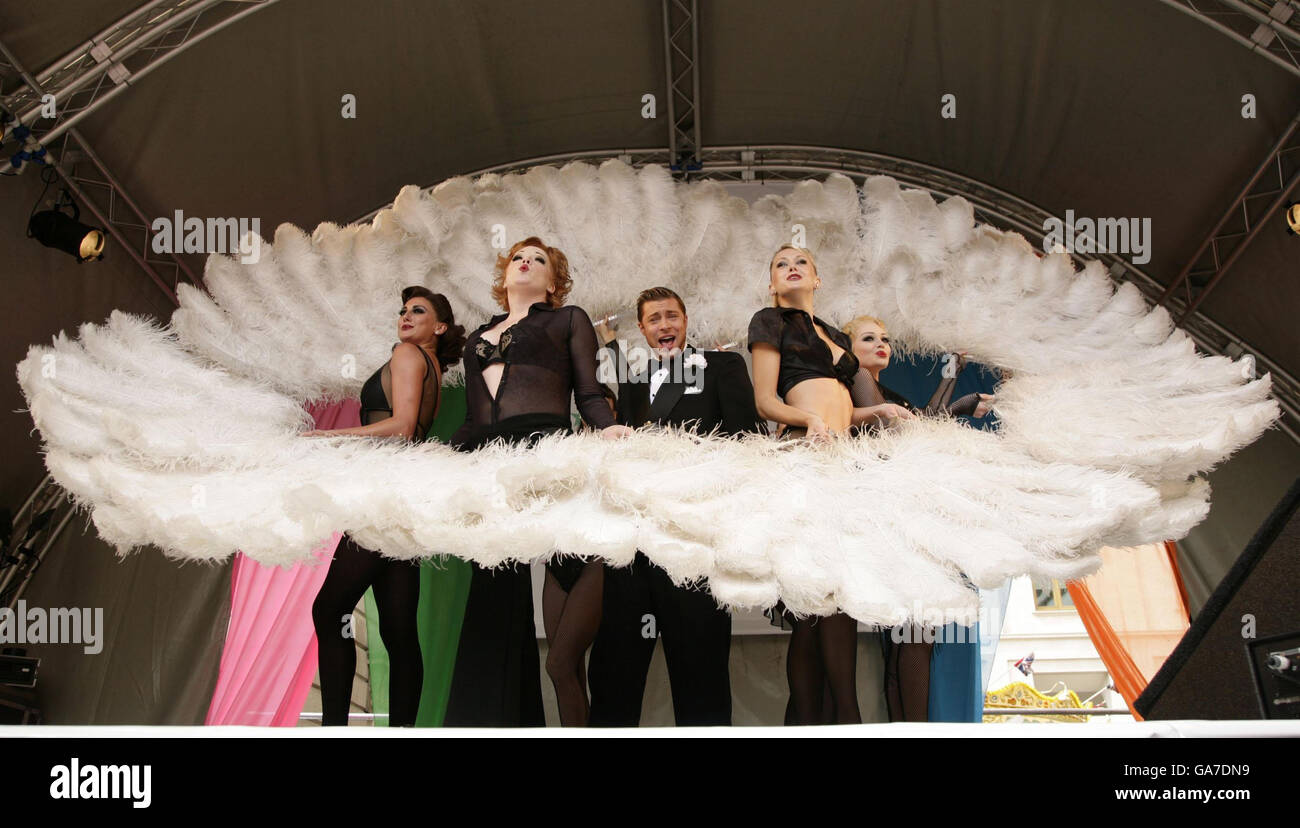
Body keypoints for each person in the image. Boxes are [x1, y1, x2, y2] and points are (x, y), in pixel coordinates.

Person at [443, 237, 632, 727]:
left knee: (563, 653)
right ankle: (492, 723)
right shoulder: (477, 336)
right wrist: (438, 458)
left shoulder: (568, 319)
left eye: (539, 260)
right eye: (517, 258)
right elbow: (473, 416)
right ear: (505, 275)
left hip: (548, 454)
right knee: (491, 591)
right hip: (489, 461)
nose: (525, 262)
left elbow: (588, 392)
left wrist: (605, 424)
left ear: (553, 282)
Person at [586, 286, 765, 727]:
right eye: (654, 319)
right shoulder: (633, 380)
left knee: (700, 670)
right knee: (615, 672)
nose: (664, 325)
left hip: (695, 538)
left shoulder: (724, 365)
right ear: (644, 330)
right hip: (636, 542)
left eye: (671, 316)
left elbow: (747, 439)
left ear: (685, 321)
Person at [747, 246, 898, 725]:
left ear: (818, 276)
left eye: (801, 263)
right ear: (772, 283)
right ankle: (842, 719)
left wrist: (877, 410)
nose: (791, 268)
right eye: (780, 264)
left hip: (844, 459)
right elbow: (766, 401)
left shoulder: (834, 333)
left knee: (835, 596)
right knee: (814, 601)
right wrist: (809, 419)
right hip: (803, 456)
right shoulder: (769, 321)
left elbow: (844, 406)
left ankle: (816, 721)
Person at [307, 286, 465, 726]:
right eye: (402, 310)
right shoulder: (428, 363)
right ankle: (402, 733)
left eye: (418, 310)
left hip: (384, 494)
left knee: (328, 609)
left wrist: (327, 438)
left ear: (440, 326)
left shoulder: (408, 355)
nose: (406, 316)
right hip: (402, 496)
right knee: (397, 630)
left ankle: (334, 728)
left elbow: (400, 428)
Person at [843, 313, 993, 722]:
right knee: (918, 635)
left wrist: (954, 385)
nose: (882, 345)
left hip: (892, 516)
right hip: (893, 519)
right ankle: (916, 730)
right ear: (848, 348)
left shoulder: (878, 387)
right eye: (869, 338)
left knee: (905, 641)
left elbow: (920, 422)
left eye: (886, 339)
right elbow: (905, 434)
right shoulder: (857, 380)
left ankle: (906, 727)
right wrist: (957, 393)